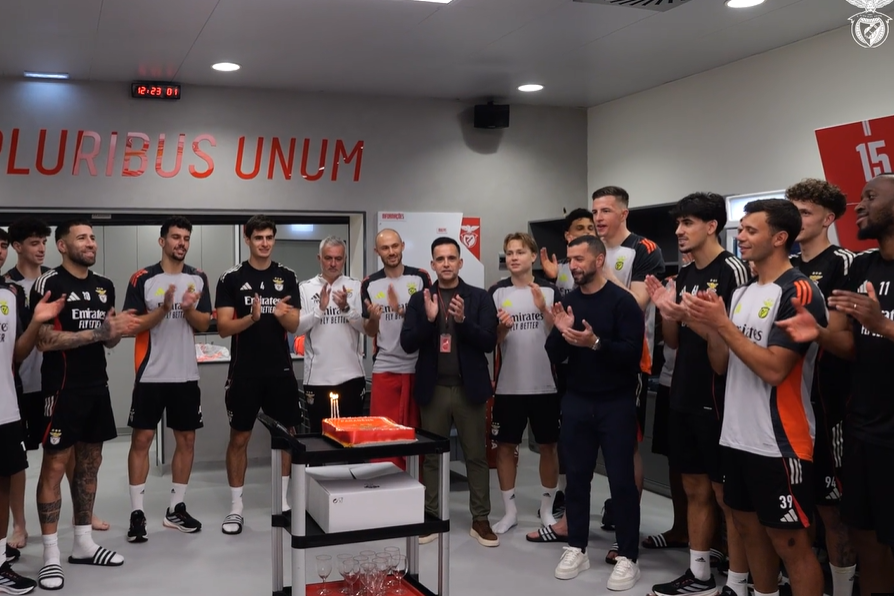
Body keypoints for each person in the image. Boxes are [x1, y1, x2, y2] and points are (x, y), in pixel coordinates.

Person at [684, 199, 827, 596]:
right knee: (748, 533)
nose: (741, 237)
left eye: (751, 231)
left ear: (780, 238)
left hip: (780, 443)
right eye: (741, 229)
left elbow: (774, 369)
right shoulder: (743, 292)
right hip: (736, 437)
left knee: (792, 545)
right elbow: (722, 365)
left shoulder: (799, 290)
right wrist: (706, 327)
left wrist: (723, 327)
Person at [777, 173, 894, 595]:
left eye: (871, 197)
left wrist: (880, 324)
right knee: (858, 531)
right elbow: (849, 341)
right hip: (847, 416)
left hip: (858, 418)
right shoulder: (857, 266)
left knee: (862, 524)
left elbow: (866, 334)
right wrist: (820, 332)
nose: (861, 205)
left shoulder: (843, 261)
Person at [645, 193, 751, 596]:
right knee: (694, 488)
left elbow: (735, 341)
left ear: (711, 225)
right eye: (678, 223)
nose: (678, 231)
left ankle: (739, 582)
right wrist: (666, 311)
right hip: (684, 391)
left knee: (728, 496)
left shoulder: (734, 271)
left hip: (721, 395)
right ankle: (700, 572)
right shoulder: (687, 274)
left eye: (687, 222)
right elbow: (673, 342)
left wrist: (692, 317)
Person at [31, 220, 139, 590]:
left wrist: (114, 334)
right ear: (62, 245)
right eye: (82, 238)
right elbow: (43, 340)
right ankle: (50, 556)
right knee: (55, 466)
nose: (90, 243)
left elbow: (107, 341)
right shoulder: (50, 283)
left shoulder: (104, 286)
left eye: (92, 237)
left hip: (98, 386)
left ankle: (82, 543)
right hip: (61, 389)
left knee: (91, 465)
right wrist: (99, 333)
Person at [546, 235, 644, 590]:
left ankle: (629, 557)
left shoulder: (623, 303)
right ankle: (577, 547)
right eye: (570, 259)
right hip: (577, 400)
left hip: (615, 403)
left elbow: (631, 355)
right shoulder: (568, 301)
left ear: (599, 259)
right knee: (577, 479)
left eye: (579, 258)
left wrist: (596, 343)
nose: (573, 265)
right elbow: (555, 354)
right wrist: (559, 333)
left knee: (621, 482)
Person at [400, 237, 499, 547]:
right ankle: (431, 517)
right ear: (432, 264)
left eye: (451, 258)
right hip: (435, 390)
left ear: (460, 263)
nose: (445, 263)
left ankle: (480, 519)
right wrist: (430, 320)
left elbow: (488, 342)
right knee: (431, 458)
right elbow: (407, 343)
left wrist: (463, 321)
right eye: (439, 258)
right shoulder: (420, 300)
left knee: (475, 456)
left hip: (469, 389)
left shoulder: (480, 298)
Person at [785, 179, 857, 596]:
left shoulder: (845, 263)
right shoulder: (788, 267)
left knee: (833, 510)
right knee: (801, 507)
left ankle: (844, 587)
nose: (797, 219)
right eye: (792, 210)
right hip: (791, 398)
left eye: (806, 212)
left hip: (832, 402)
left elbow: (845, 339)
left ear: (829, 219)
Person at [123, 217, 212, 543]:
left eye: (186, 237)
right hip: (150, 374)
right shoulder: (143, 279)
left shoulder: (198, 278)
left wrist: (188, 309)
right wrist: (163, 309)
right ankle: (137, 513)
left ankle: (176, 509)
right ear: (162, 241)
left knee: (186, 441)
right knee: (142, 440)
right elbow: (131, 325)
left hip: (186, 375)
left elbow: (204, 324)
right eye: (176, 237)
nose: (182, 243)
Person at [592, 185, 665, 563]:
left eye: (606, 210)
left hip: (630, 363)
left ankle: (627, 533)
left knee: (625, 448)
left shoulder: (644, 250)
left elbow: (636, 305)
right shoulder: (592, 247)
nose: (599, 218)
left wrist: (603, 273)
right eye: (595, 212)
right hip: (591, 361)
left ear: (623, 213)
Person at [215, 215, 300, 536]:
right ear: (247, 238)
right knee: (240, 438)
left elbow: (294, 325)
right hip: (244, 373)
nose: (264, 243)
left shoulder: (287, 276)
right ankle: (236, 508)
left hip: (280, 371)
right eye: (259, 237)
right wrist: (252, 318)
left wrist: (283, 316)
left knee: (285, 439)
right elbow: (223, 328)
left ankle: (283, 503)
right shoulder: (231, 278)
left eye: (269, 238)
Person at [0, 262, 67, 595]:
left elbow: (18, 353)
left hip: (6, 407)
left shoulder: (8, 295)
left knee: (4, 480)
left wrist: (38, 319)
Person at [488, 232, 560, 534]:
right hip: (509, 386)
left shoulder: (552, 291)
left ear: (533, 256)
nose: (514, 257)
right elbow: (490, 341)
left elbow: (563, 335)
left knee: (548, 447)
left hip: (546, 386)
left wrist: (544, 307)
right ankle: (510, 511)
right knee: (505, 448)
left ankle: (546, 509)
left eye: (520, 251)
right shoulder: (495, 292)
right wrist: (502, 329)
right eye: (509, 252)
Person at [360, 229, 431, 469]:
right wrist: (373, 319)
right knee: (382, 432)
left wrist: (402, 311)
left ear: (402, 246)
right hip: (385, 367)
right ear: (376, 251)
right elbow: (370, 331)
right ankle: (383, 482)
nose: (391, 252)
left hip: (416, 367)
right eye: (385, 248)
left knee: (413, 433)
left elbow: (429, 320)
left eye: (394, 246)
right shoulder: (369, 284)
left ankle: (414, 487)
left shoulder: (420, 278)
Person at [3, 219, 51, 555]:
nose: (40, 248)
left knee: (63, 452)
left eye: (43, 242)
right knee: (15, 462)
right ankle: (19, 524)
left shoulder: (55, 280)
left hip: (54, 382)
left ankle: (84, 513)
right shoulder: (8, 288)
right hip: (18, 386)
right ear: (18, 247)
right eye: (33, 242)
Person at [298, 236, 365, 432]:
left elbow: (366, 328)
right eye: (328, 258)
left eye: (338, 258)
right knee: (320, 440)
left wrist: (346, 308)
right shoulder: (305, 287)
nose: (333, 263)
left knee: (352, 440)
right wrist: (319, 309)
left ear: (344, 259)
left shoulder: (356, 286)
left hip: (352, 376)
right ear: (319, 258)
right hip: (318, 378)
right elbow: (297, 328)